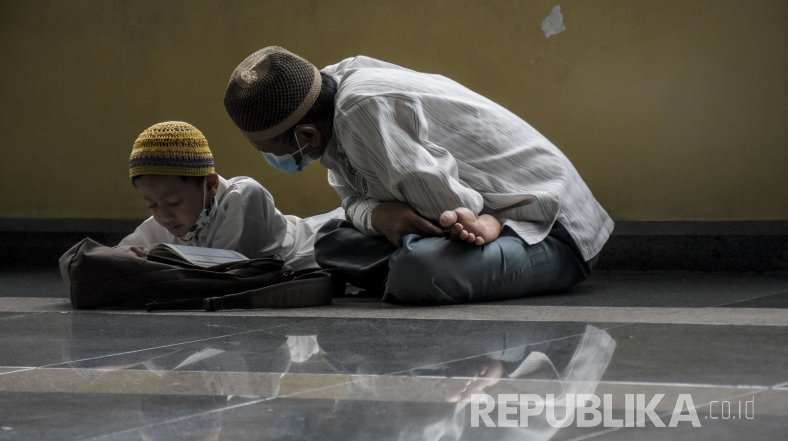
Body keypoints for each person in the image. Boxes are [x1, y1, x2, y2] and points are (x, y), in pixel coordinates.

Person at [223, 47, 614, 302]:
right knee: (330, 241)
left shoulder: (359, 110)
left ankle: (407, 266)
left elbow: (453, 212)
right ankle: (403, 261)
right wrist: (379, 215)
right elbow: (352, 199)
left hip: (549, 227)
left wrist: (388, 216)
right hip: (464, 216)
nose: (273, 159)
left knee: (419, 270)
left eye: (270, 151)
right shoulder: (321, 98)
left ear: (305, 135)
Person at [117, 120, 344, 270]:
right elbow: (112, 256)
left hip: (324, 240)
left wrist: (150, 260)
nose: (164, 215)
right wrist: (127, 254)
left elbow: (222, 271)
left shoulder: (243, 196)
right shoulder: (165, 223)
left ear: (211, 185)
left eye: (174, 202)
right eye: (152, 205)